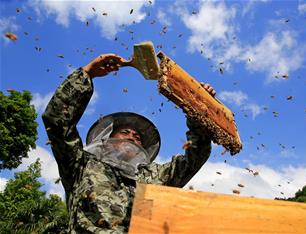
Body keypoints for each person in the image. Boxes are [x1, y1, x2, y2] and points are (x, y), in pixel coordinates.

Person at [42, 53, 215, 233]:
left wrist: (200, 109)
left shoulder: (152, 177)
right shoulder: (81, 165)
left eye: (138, 137)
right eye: (125, 132)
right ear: (108, 138)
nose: (133, 137)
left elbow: (195, 156)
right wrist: (87, 74)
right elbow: (56, 121)